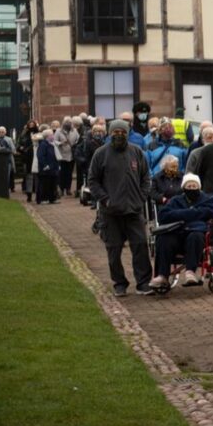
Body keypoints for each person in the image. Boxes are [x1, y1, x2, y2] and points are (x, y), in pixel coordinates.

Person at [88, 120, 153, 297]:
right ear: (110, 133)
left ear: (127, 133)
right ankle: (119, 283)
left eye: (122, 132)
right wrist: (105, 199)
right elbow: (92, 181)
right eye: (115, 132)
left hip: (134, 210)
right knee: (113, 249)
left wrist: (141, 196)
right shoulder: (100, 154)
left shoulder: (136, 152)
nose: (119, 135)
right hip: (110, 213)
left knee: (140, 246)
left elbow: (146, 177)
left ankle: (144, 282)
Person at [150, 173, 213, 290]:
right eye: (189, 186)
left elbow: (211, 212)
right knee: (163, 238)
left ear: (199, 187)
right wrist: (193, 213)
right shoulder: (176, 200)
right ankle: (162, 275)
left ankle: (190, 272)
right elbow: (163, 216)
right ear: (184, 188)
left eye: (194, 186)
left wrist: (181, 215)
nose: (191, 188)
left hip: (196, 233)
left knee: (195, 236)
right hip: (177, 233)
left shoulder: (207, 199)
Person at [36, 131, 61, 204]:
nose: (53, 136)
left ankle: (52, 198)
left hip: (53, 167)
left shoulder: (53, 144)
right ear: (47, 136)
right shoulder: (43, 145)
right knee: (45, 184)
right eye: (51, 135)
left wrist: (57, 165)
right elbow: (40, 156)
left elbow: (55, 156)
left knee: (53, 184)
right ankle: (43, 199)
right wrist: (45, 165)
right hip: (46, 168)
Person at [19, 120, 39, 201]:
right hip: (27, 157)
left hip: (36, 156)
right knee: (29, 176)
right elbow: (19, 144)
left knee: (37, 177)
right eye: (30, 124)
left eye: (32, 124)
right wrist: (21, 148)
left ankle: (38, 194)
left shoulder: (38, 134)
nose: (31, 126)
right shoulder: (24, 134)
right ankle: (29, 194)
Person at [0, 126, 16, 192]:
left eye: (2, 132)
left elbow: (13, 149)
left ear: (5, 132)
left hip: (8, 158)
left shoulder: (9, 139)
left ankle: (11, 187)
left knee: (10, 173)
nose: (1, 133)